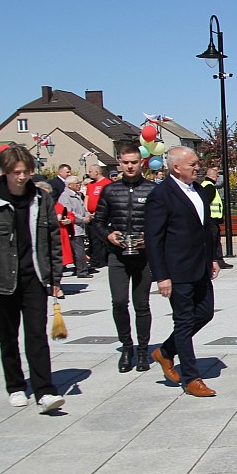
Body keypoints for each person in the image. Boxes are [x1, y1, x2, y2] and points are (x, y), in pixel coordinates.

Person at [0, 145, 66, 413]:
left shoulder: (41, 200)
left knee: (37, 335)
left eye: (27, 172)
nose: (22, 177)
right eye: (17, 173)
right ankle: (16, 386)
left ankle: (45, 390)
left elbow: (52, 240)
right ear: (5, 172)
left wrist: (55, 278)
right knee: (8, 336)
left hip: (34, 276)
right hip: (2, 280)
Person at [146, 147, 221, 397]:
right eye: (193, 164)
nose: (197, 167)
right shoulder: (161, 195)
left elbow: (206, 227)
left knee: (205, 313)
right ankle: (191, 378)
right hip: (177, 271)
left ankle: (165, 351)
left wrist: (212, 258)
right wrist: (161, 276)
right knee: (184, 321)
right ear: (176, 167)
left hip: (200, 266)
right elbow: (154, 239)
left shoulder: (198, 190)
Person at [92, 144, 156, 373]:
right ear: (119, 163)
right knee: (119, 302)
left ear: (141, 163)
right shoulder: (110, 191)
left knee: (142, 304)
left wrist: (148, 240)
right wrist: (109, 235)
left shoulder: (152, 190)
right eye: (126, 162)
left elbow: (161, 224)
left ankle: (142, 350)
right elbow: (97, 222)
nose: (130, 166)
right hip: (118, 255)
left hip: (143, 256)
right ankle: (127, 346)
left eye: (134, 162)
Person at [57, 176, 91, 278]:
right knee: (78, 250)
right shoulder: (65, 196)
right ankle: (82, 271)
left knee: (79, 249)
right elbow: (69, 212)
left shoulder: (77, 195)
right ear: (70, 185)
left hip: (80, 226)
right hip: (74, 227)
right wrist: (82, 219)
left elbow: (83, 208)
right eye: (77, 183)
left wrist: (87, 215)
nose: (79, 185)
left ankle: (81, 268)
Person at [200, 164, 232, 269]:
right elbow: (206, 203)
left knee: (214, 241)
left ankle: (217, 260)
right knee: (214, 241)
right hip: (211, 220)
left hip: (210, 220)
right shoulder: (209, 187)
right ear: (214, 177)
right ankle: (218, 260)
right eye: (217, 176)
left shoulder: (204, 185)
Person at [85, 164, 112, 269]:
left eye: (91, 171)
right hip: (91, 215)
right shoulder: (90, 185)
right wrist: (87, 211)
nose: (89, 173)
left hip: (102, 215)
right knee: (92, 239)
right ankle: (95, 259)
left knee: (101, 238)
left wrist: (99, 212)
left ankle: (102, 260)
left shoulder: (107, 183)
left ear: (97, 172)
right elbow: (87, 198)